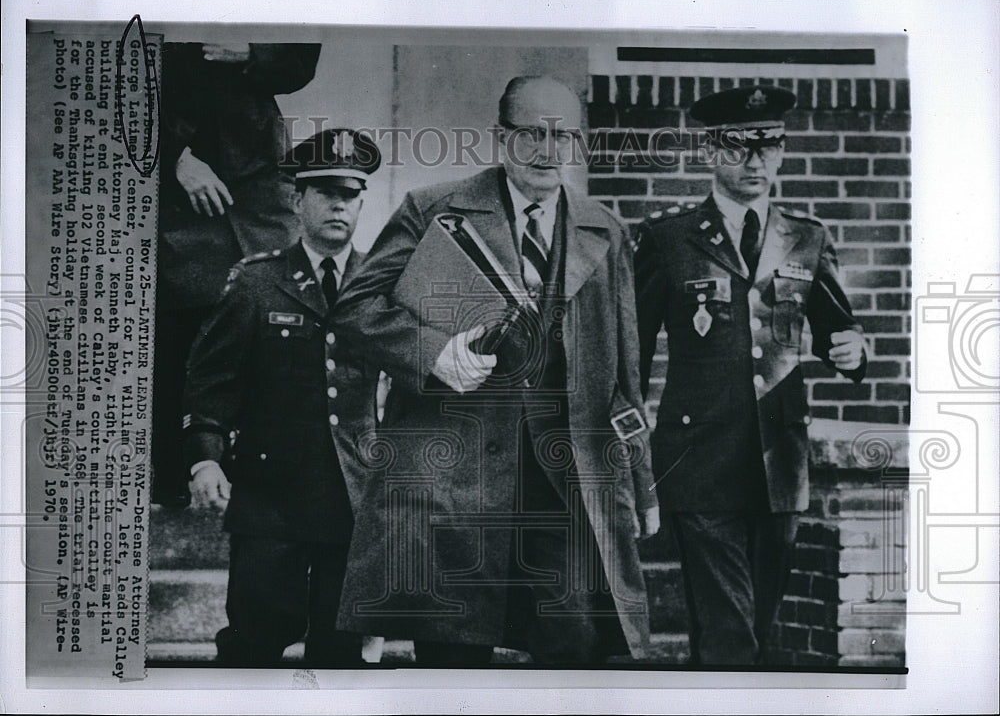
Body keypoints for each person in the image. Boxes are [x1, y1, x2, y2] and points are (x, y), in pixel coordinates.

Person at [333, 76, 660, 667]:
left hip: (564, 482)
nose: (547, 149)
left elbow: (624, 374)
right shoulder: (433, 209)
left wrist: (640, 481)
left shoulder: (603, 230)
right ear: (500, 137)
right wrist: (432, 352)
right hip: (454, 479)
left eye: (563, 136)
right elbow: (354, 310)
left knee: (575, 656)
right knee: (453, 658)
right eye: (531, 133)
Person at [634, 85, 867, 665]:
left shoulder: (805, 237)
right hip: (700, 455)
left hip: (779, 460)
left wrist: (852, 351)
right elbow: (632, 349)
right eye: (739, 147)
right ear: (712, 151)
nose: (756, 160)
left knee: (755, 627)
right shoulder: (669, 238)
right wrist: (629, 441)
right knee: (729, 632)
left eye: (770, 145)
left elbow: (844, 332)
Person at [182, 128, 381, 667]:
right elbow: (212, 382)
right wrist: (206, 458)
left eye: (351, 195)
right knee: (255, 643)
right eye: (325, 192)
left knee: (343, 655)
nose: (340, 205)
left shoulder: (382, 285)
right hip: (271, 498)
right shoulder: (255, 282)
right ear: (298, 200)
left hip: (355, 498)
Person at [153, 41, 322, 507]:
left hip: (255, 164)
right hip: (170, 170)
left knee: (278, 305)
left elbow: (299, 59)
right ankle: (179, 479)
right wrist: (174, 158)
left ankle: (259, 478)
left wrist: (250, 51)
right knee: (185, 319)